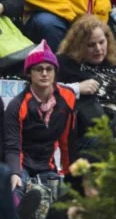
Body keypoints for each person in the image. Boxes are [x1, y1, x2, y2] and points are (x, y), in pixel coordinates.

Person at [4, 41, 78, 199]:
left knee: (69, 194)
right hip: (22, 164)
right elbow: (12, 146)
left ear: (55, 72)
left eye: (49, 69)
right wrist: (15, 173)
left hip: (47, 166)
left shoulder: (68, 97)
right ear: (29, 73)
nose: (44, 73)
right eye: (39, 69)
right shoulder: (16, 105)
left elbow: (67, 140)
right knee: (15, 190)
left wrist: (68, 172)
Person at [57, 14, 116, 124]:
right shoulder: (65, 64)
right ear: (78, 46)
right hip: (95, 131)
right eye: (91, 45)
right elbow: (41, 91)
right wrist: (76, 88)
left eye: (101, 42)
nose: (98, 49)